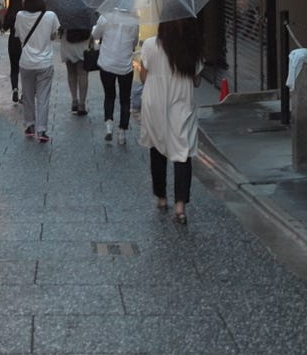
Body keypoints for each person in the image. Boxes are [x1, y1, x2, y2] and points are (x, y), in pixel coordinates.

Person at [137, 16, 203, 226]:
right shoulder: (191, 47)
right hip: (182, 101)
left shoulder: (150, 45)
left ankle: (161, 197)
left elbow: (143, 78)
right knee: (183, 151)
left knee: (157, 147)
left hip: (154, 101)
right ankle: (180, 207)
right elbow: (197, 80)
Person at [14, 0, 59, 143]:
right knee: (43, 97)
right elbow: (53, 36)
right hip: (45, 62)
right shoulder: (50, 16)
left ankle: (29, 125)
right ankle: (42, 129)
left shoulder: (19, 16)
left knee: (27, 95)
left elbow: (18, 35)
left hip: (26, 62)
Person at [91, 12, 140, 144]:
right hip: (125, 65)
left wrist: (96, 28)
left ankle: (109, 126)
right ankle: (122, 132)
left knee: (109, 95)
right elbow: (134, 42)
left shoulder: (105, 17)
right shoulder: (134, 20)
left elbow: (95, 35)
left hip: (107, 63)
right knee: (125, 99)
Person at [60, 27, 92, 115]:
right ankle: (82, 105)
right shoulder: (86, 17)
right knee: (83, 74)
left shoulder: (66, 18)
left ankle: (74, 101)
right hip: (84, 40)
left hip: (67, 38)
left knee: (71, 72)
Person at [2, 0, 23, 103]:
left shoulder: (10, 14)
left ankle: (15, 89)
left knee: (14, 68)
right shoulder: (24, 13)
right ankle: (24, 93)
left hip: (13, 42)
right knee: (24, 68)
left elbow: (4, 27)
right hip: (23, 42)